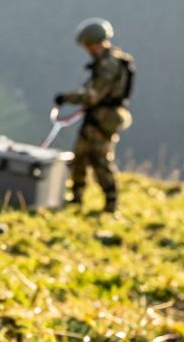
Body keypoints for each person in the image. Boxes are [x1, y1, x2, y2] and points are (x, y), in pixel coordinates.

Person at [55, 18, 134, 214]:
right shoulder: (105, 61)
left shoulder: (109, 64)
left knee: (100, 160)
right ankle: (76, 197)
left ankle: (111, 203)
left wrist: (67, 98)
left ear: (93, 43)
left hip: (105, 120)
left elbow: (92, 96)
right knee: (80, 156)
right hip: (95, 118)